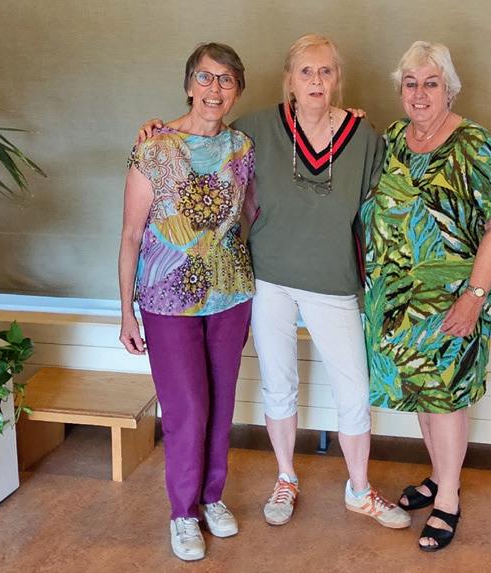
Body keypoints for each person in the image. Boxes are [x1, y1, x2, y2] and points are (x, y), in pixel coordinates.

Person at [138, 34, 409, 530]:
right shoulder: (255, 130)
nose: (316, 80)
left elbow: (379, 208)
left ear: (338, 80)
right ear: (289, 80)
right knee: (279, 385)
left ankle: (359, 489)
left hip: (333, 281)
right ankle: (286, 478)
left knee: (353, 390)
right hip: (268, 280)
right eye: (306, 71)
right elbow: (202, 136)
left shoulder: (364, 136)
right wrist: (157, 128)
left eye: (326, 71)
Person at [360, 41, 491, 552]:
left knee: (445, 399)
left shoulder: (474, 143)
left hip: (451, 299)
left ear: (449, 89)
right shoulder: (393, 138)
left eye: (431, 83)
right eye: (411, 84)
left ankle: (447, 498)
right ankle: (439, 475)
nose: (420, 93)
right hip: (398, 300)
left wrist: (474, 296)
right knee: (422, 393)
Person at [117, 42, 255, 562]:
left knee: (220, 405)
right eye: (205, 77)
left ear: (237, 90)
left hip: (230, 293)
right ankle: (182, 512)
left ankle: (212, 497)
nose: (214, 89)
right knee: (187, 409)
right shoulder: (153, 149)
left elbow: (255, 212)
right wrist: (127, 312)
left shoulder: (243, 148)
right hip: (166, 299)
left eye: (226, 80)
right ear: (188, 84)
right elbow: (131, 235)